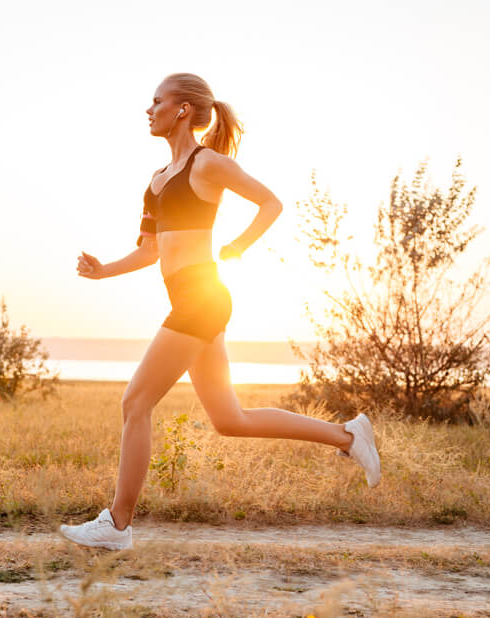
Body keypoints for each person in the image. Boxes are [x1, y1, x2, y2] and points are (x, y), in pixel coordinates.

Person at [60, 73, 380, 551]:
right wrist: (104, 271)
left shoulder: (206, 163)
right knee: (231, 419)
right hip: (192, 300)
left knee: (135, 402)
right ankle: (348, 436)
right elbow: (150, 251)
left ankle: (118, 525)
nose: (149, 110)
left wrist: (237, 246)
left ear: (183, 109)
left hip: (202, 299)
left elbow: (270, 203)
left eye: (157, 101)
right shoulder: (155, 182)